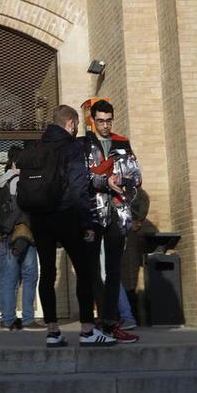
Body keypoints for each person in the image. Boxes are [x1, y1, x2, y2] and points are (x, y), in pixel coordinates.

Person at [22, 104, 114, 348]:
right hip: (66, 215)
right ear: (71, 124)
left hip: (40, 219)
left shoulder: (37, 148)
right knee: (84, 271)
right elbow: (77, 187)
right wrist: (86, 222)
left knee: (47, 273)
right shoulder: (72, 147)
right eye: (76, 126)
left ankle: (52, 331)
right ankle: (87, 329)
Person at [82, 99, 141, 343]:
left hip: (117, 214)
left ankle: (111, 322)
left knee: (114, 269)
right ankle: (102, 320)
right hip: (93, 213)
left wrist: (121, 180)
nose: (105, 125)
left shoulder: (122, 143)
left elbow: (136, 176)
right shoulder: (84, 144)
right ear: (92, 121)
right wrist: (103, 181)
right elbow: (80, 177)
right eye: (100, 121)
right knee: (93, 269)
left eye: (108, 121)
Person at [0, 145, 39, 331]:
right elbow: (23, 209)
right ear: (15, 163)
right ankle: (28, 319)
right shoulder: (18, 182)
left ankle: (7, 320)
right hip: (21, 235)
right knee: (29, 275)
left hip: (1, 238)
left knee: (7, 277)